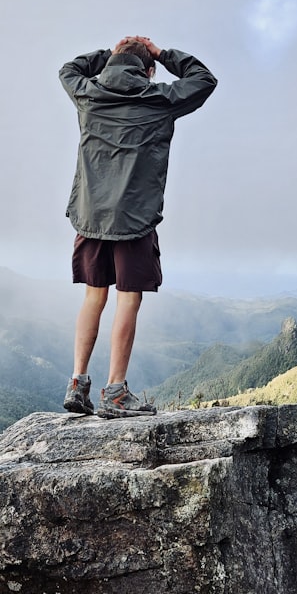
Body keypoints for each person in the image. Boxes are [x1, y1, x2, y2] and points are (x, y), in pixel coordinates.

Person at [59, 36, 217, 418]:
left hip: (91, 217)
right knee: (128, 299)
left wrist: (109, 56)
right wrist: (163, 54)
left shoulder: (88, 94)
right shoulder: (159, 99)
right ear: (149, 70)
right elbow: (203, 79)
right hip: (135, 220)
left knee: (93, 298)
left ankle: (77, 383)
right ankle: (115, 392)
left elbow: (69, 69)